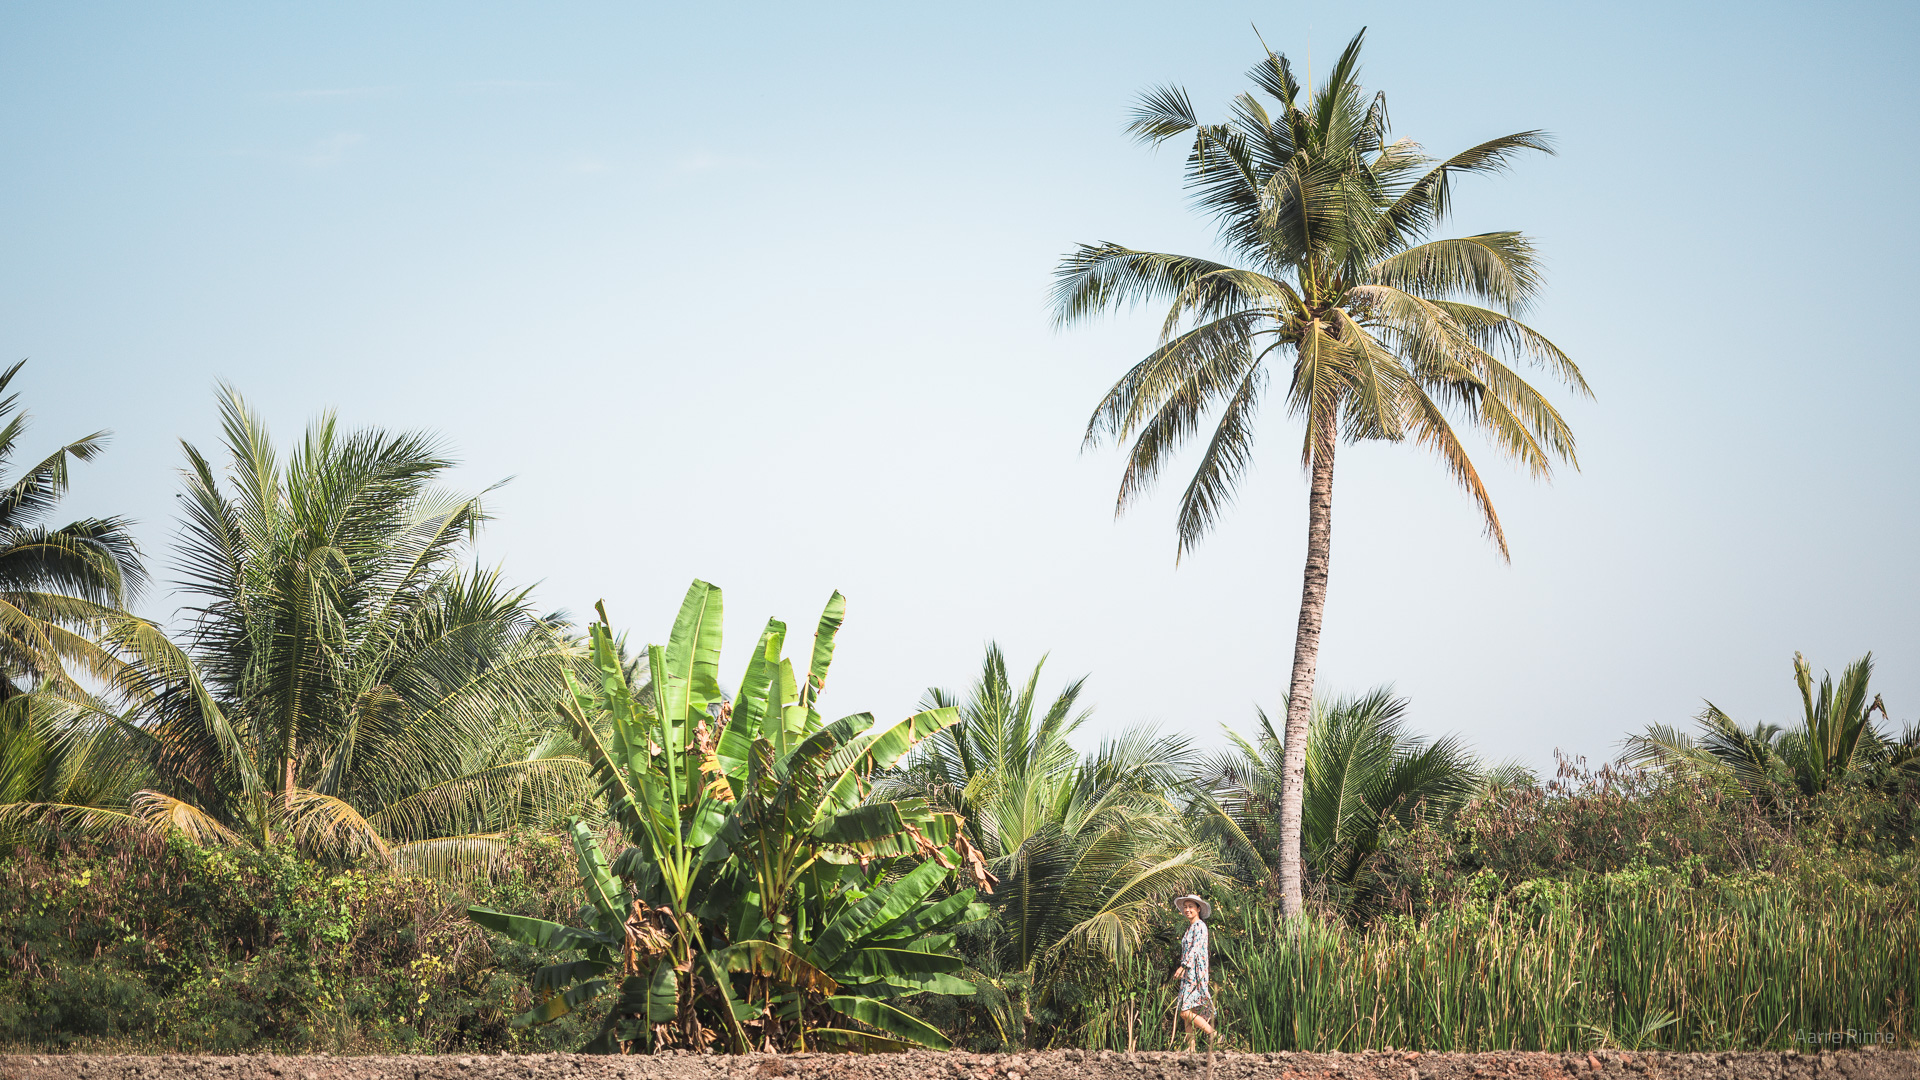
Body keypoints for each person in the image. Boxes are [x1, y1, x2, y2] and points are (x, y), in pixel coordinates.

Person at [1169, 894, 1216, 1051]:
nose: (1187, 909)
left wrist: (1183, 966)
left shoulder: (1200, 926)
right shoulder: (1190, 928)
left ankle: (1212, 1034)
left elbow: (1195, 949)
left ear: (1198, 909)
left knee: (1184, 1011)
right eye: (1185, 906)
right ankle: (1191, 1048)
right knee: (1190, 1010)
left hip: (1195, 972)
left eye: (1191, 906)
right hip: (1189, 972)